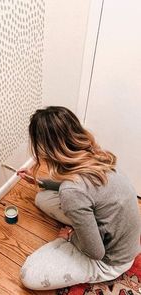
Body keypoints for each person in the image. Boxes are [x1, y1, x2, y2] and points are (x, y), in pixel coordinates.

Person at [17, 106, 140, 291]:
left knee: (28, 275)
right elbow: (80, 186)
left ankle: (76, 235)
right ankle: (84, 228)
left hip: (111, 261)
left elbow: (96, 252)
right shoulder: (95, 155)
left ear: (44, 149)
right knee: (41, 198)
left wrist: (69, 237)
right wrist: (39, 182)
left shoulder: (71, 191)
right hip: (119, 234)